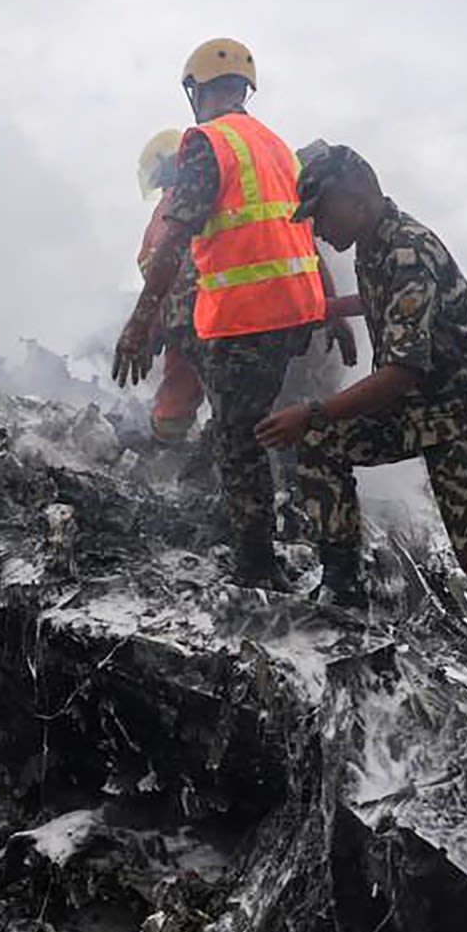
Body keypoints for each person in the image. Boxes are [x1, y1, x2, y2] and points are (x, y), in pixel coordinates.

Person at [254, 143, 467, 717]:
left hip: (465, 415)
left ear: (354, 199)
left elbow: (403, 372)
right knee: (321, 446)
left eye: (321, 215)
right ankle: (343, 588)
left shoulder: (407, 250)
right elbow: (383, 305)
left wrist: (318, 411)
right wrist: (332, 307)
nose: (318, 231)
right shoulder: (372, 243)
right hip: (422, 407)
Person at [113, 39, 354, 589]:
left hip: (245, 320)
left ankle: (256, 569)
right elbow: (305, 230)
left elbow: (176, 237)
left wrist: (137, 323)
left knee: (239, 448)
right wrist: (330, 308)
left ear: (197, 91)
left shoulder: (207, 142)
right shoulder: (276, 145)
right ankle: (334, 562)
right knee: (275, 425)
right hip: (295, 316)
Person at [134, 130, 206, 444]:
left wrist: (150, 324)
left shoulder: (176, 204)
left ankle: (168, 455)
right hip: (189, 314)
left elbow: (170, 264)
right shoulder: (181, 200)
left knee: (175, 403)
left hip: (189, 317)